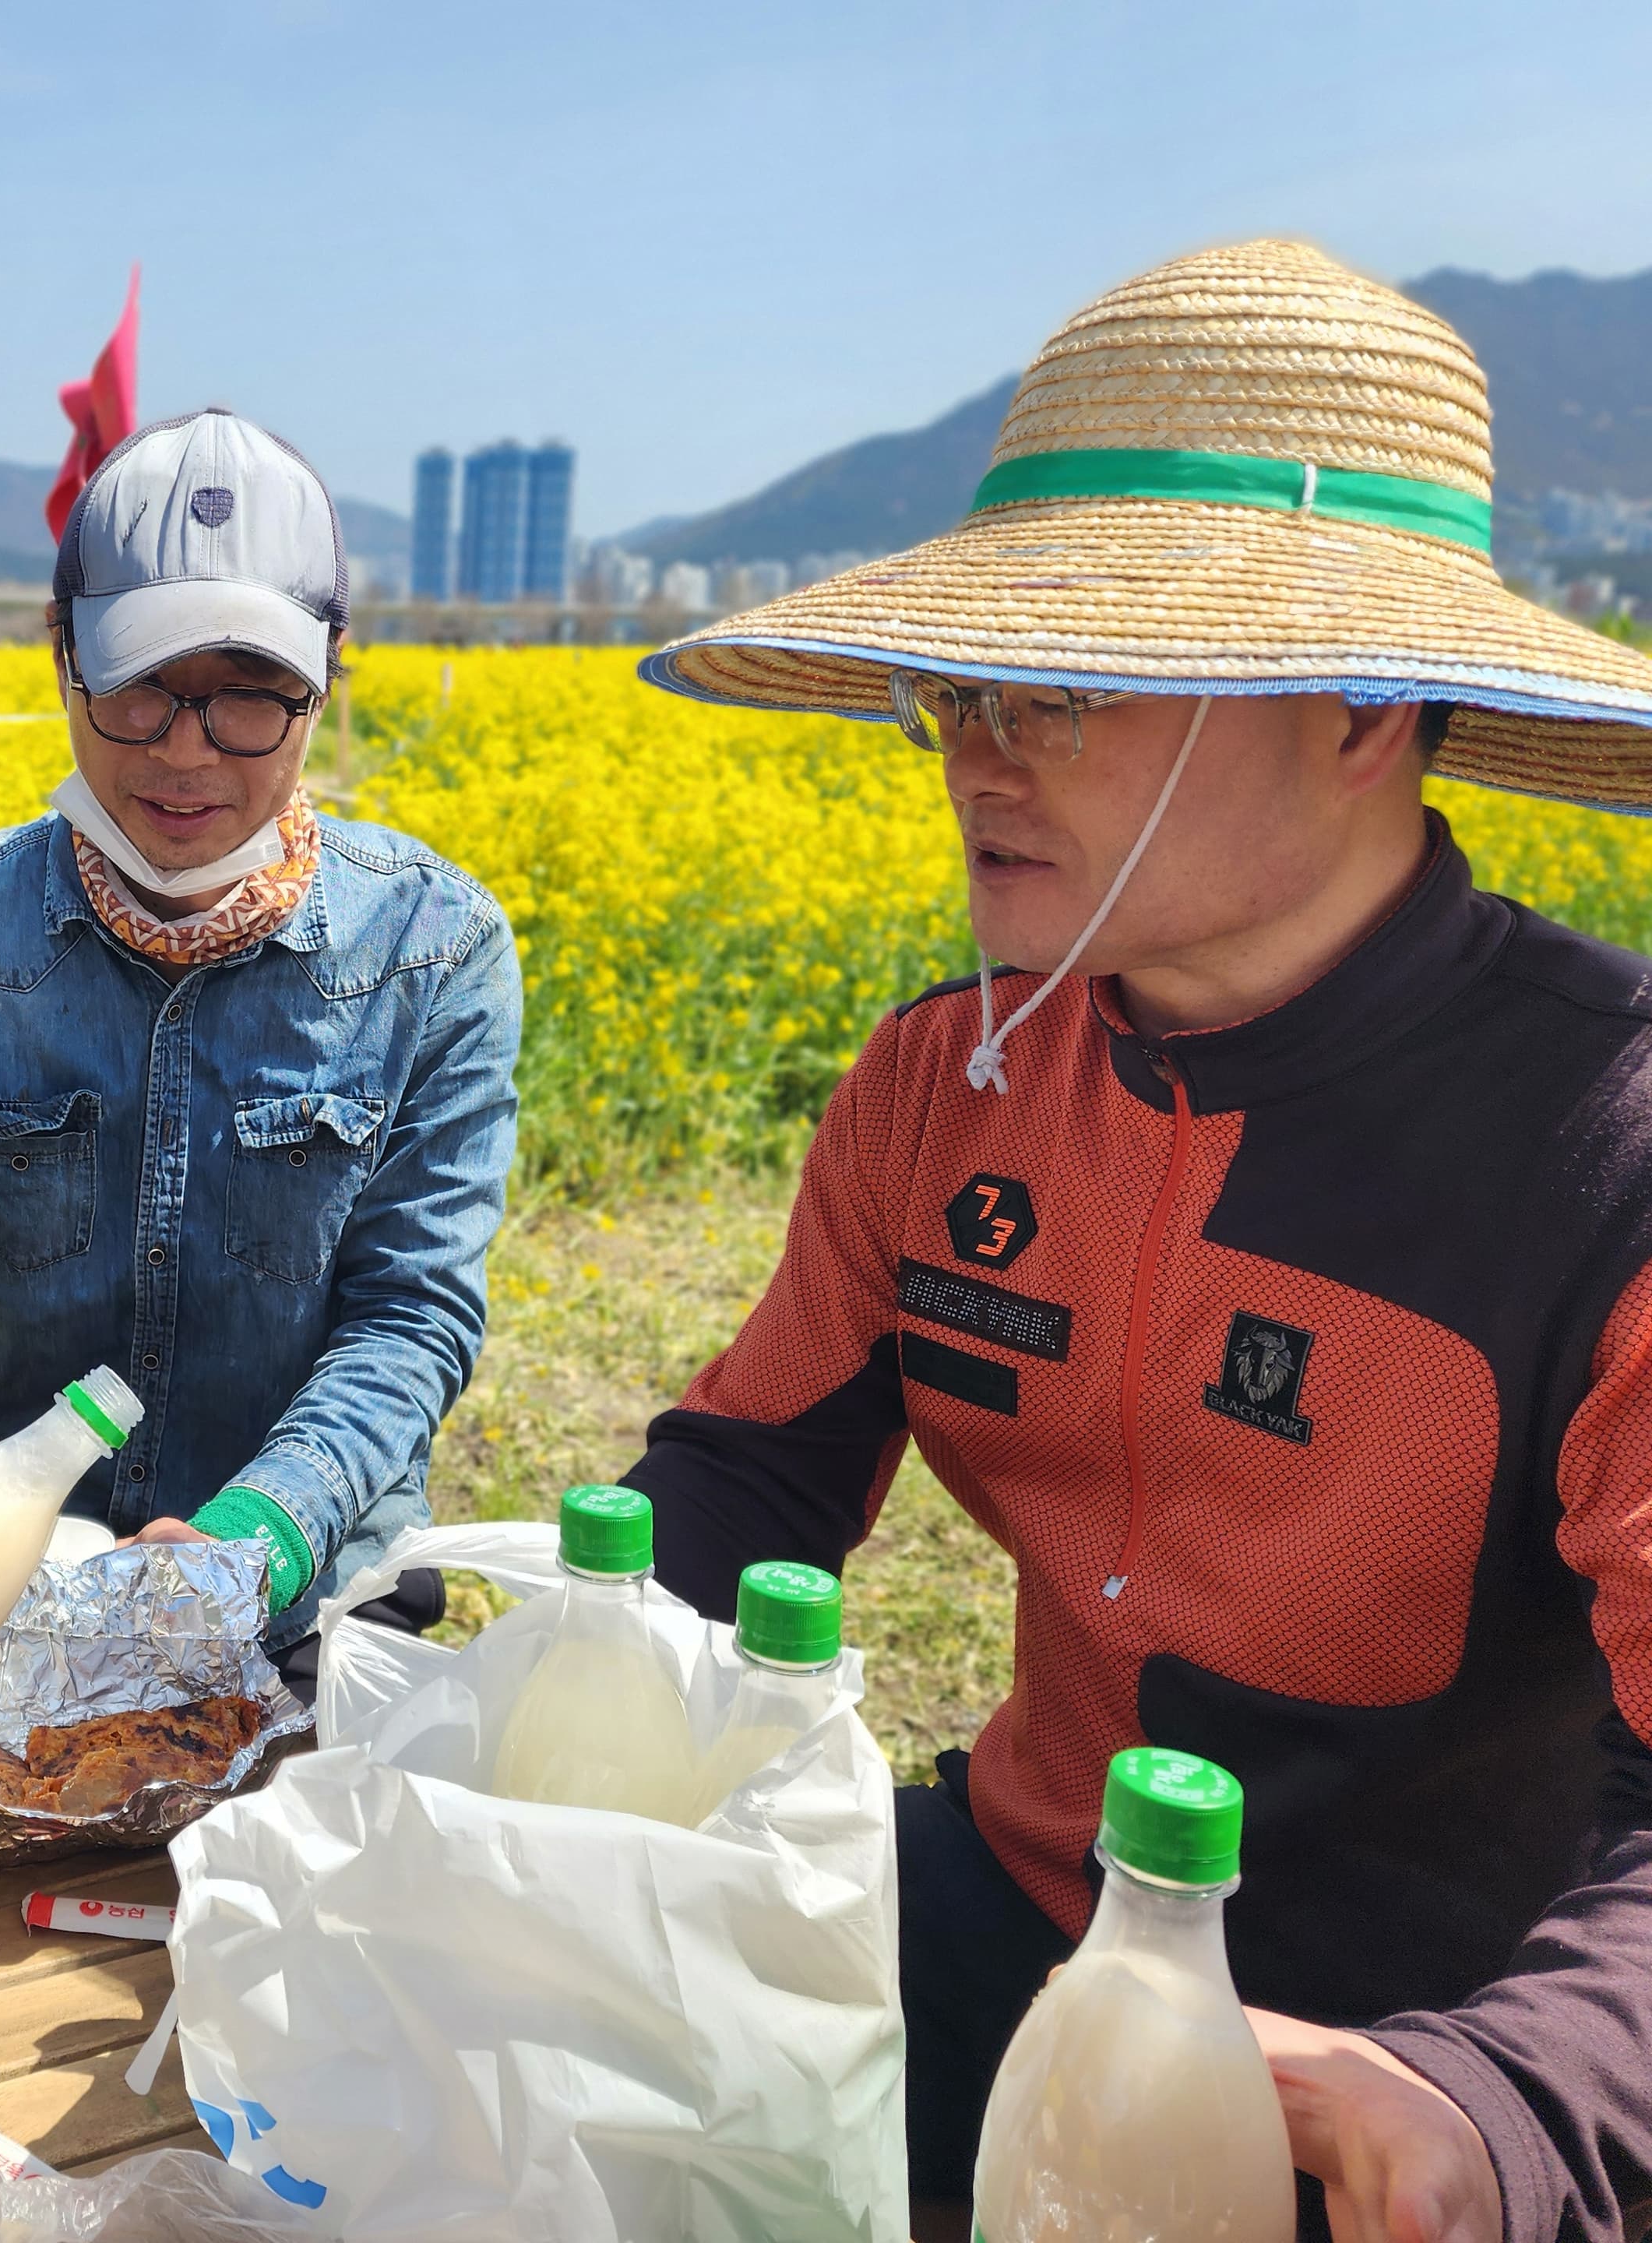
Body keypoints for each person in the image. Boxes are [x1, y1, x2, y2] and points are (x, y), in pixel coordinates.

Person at [620, 241, 1652, 2243]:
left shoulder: (1607, 1155)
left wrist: (1502, 2096)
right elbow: (751, 1473)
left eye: (1061, 689)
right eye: (959, 687)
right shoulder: (950, 1083)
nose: (972, 754)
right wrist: (509, 1679)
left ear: (1362, 707)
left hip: (1418, 2064)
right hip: (1021, 1914)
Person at [0, 408, 521, 1681]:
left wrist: (250, 1542)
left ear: (328, 675)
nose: (187, 752)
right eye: (138, 690)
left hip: (305, 1588)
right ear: (60, 657)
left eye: (251, 697)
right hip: (2, 1575)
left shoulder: (435, 946)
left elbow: (409, 1314)